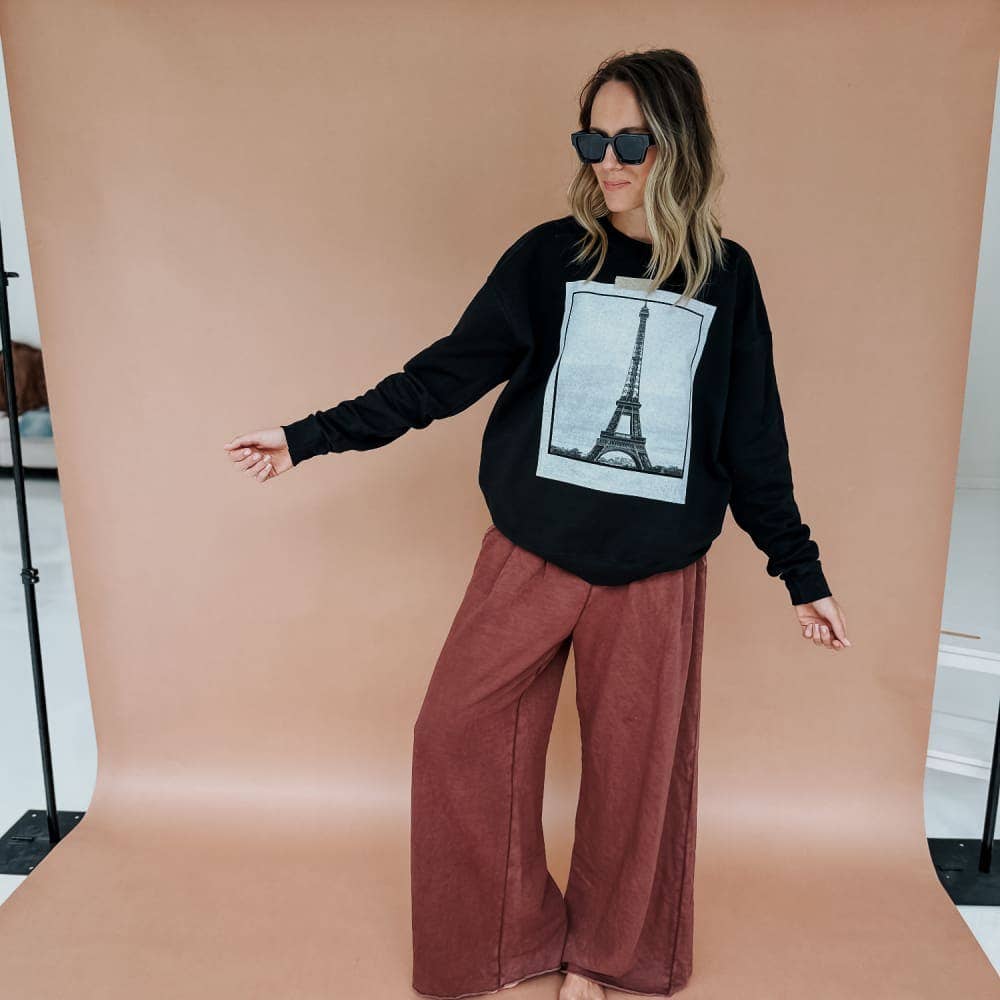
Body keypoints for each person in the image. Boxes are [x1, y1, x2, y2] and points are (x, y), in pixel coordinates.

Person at [224, 47, 850, 1000]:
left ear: (679, 145)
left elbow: (753, 438)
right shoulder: (548, 258)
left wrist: (801, 573)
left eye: (632, 141)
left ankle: (603, 958)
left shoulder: (727, 277)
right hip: (530, 551)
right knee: (456, 733)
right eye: (593, 140)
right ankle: (500, 945)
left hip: (655, 569)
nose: (609, 161)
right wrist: (307, 437)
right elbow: (442, 377)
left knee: (635, 778)